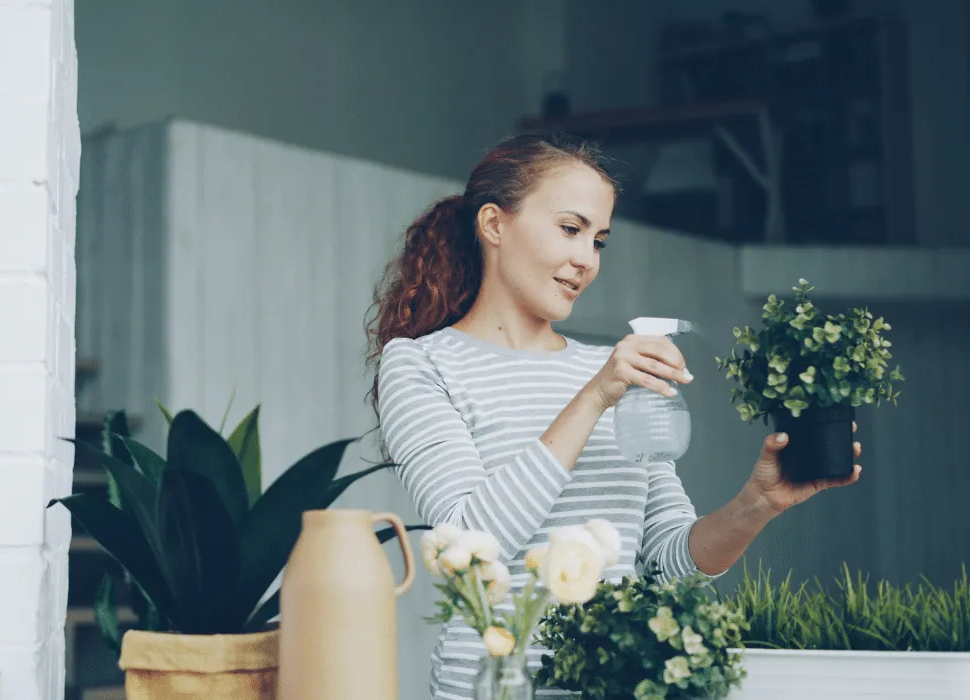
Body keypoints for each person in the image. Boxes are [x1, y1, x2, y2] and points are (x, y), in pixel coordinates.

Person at [363, 131, 863, 700]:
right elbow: (469, 547)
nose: (586, 260)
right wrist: (594, 397)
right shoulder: (421, 363)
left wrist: (759, 502)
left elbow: (670, 563)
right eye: (570, 229)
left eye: (599, 241)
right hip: (494, 688)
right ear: (494, 225)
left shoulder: (612, 369)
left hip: (614, 685)